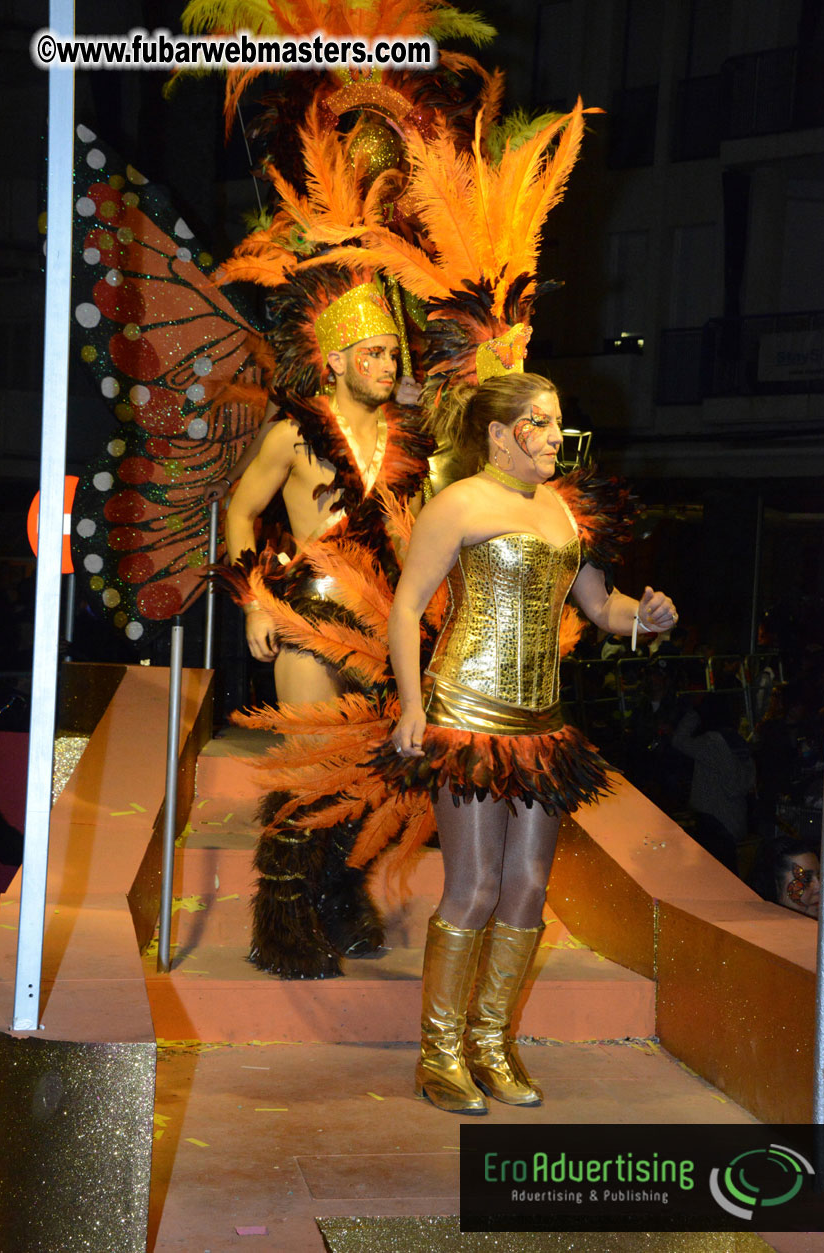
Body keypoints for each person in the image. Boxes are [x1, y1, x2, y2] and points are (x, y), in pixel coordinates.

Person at [383, 372, 677, 1113]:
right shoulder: (458, 502)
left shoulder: (566, 510)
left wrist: (646, 618)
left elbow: (600, 607)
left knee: (528, 887)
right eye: (539, 423)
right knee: (476, 884)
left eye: (556, 422)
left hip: (541, 723)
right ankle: (439, 1054)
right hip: (468, 712)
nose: (553, 437)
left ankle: (489, 1044)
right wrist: (413, 705)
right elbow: (407, 604)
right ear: (497, 433)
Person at [221, 267, 431, 978]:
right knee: (311, 771)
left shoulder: (407, 442)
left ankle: (339, 900)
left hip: (383, 625)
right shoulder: (293, 432)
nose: (387, 365)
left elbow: (417, 538)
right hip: (309, 616)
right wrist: (254, 599)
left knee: (366, 777)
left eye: (393, 354)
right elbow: (241, 511)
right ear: (336, 360)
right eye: (373, 354)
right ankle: (283, 922)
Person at [671, 694, 756, 874]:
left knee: (713, 874)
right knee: (729, 873)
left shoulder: (711, 742)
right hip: (734, 818)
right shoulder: (738, 741)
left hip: (713, 818)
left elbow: (679, 740)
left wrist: (694, 713)